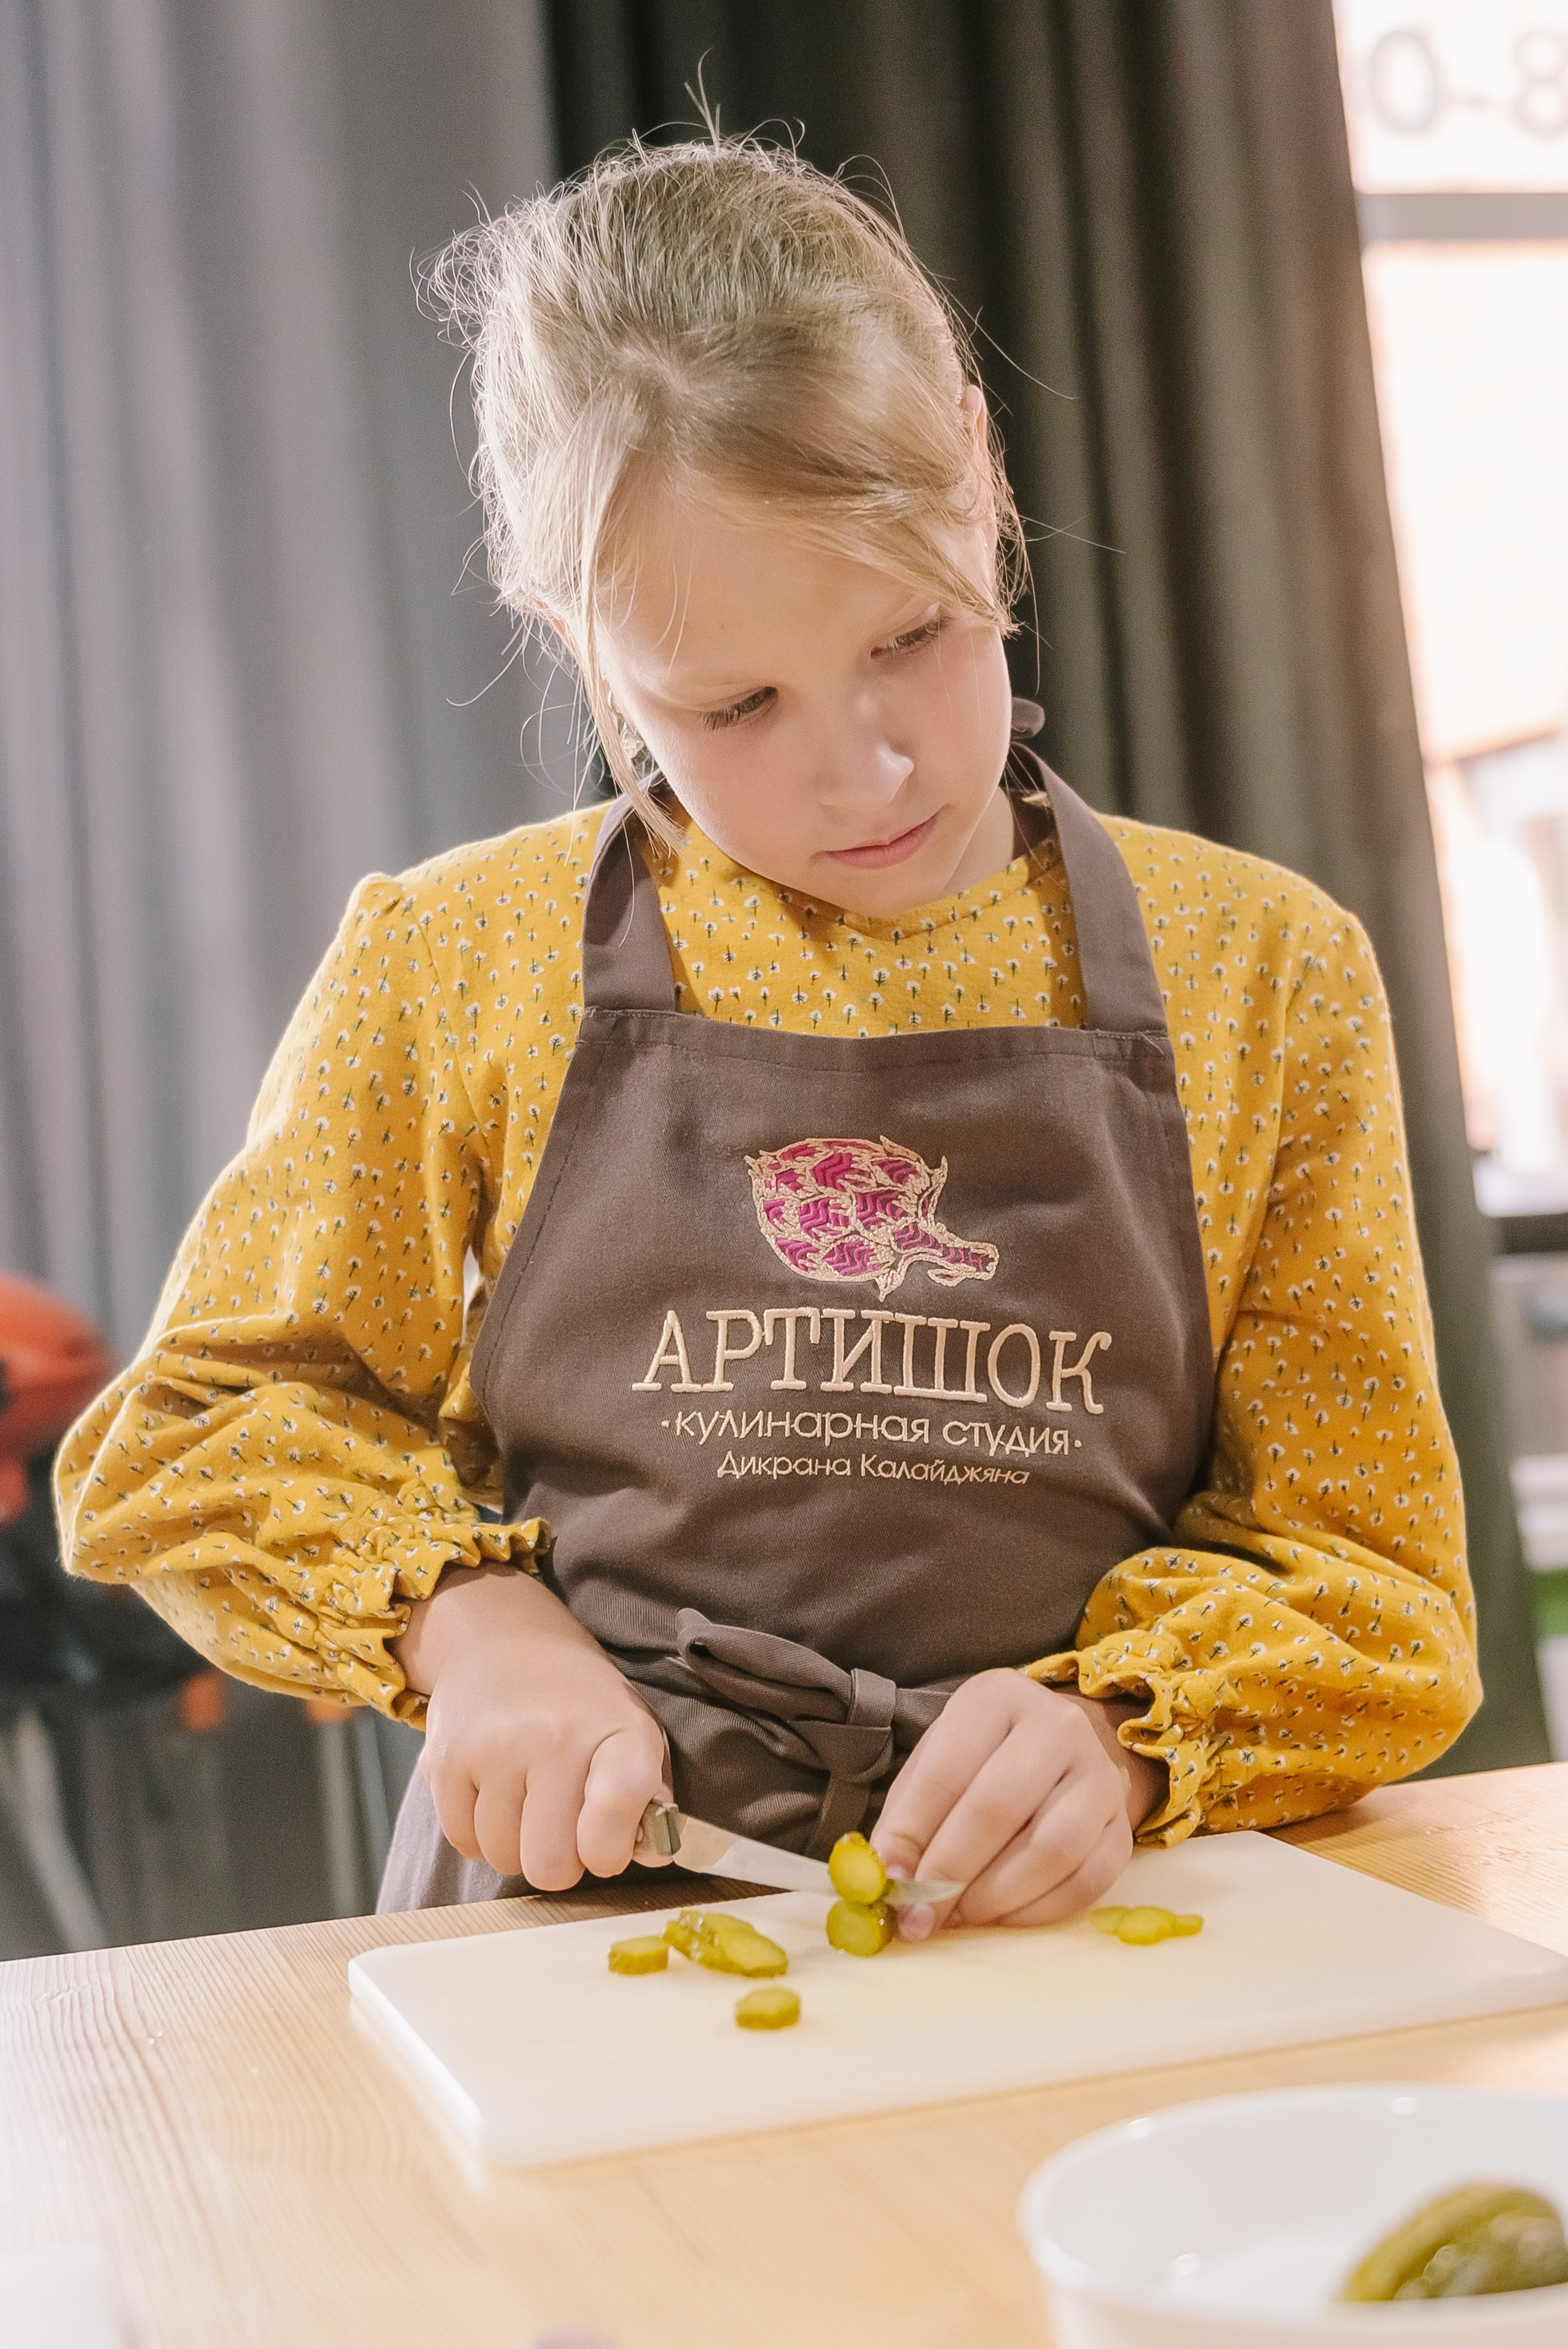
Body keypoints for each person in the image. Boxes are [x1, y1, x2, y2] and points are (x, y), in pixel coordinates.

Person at [55, 135, 1480, 1933]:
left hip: (1089, 1936)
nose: (864, 767)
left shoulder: (1265, 970)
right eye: (733, 704)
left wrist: (1119, 1731)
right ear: (571, 634)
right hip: (593, 1938)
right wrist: (476, 1629)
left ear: (982, 471)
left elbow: (1375, 1578)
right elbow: (201, 1430)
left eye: (915, 634)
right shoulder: (457, 959)